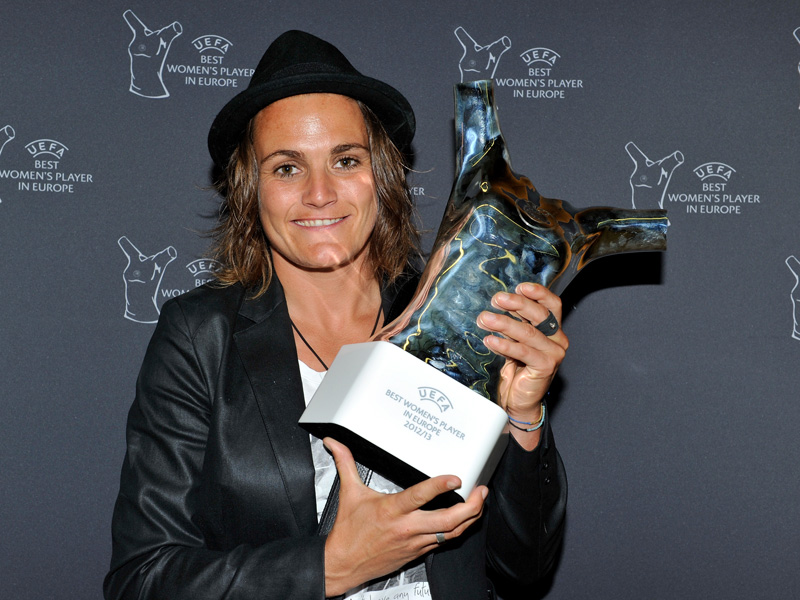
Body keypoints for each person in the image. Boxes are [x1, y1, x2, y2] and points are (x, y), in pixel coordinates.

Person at [104, 30, 568, 600]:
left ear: (384, 177)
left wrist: (522, 416)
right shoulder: (201, 337)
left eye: (346, 160)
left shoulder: (456, 316)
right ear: (251, 189)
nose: (320, 193)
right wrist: (331, 566)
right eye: (286, 168)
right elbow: (143, 579)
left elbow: (523, 565)